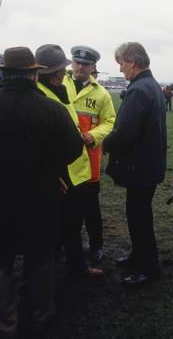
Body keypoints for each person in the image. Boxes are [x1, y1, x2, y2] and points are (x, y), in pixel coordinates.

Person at [0, 47, 84, 336]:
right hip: (41, 199)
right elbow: (73, 149)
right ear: (33, 73)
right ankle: (41, 315)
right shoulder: (52, 108)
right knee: (40, 260)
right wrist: (49, 166)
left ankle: (5, 323)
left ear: (4, 74)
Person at [35, 44, 104, 278]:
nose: (74, 68)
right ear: (57, 73)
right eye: (71, 64)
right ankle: (60, 270)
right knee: (61, 224)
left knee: (73, 221)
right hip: (60, 172)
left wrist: (93, 136)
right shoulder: (44, 96)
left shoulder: (58, 91)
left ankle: (74, 265)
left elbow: (109, 120)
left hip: (76, 169)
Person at [103, 42, 166, 285]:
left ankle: (148, 268)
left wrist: (104, 144)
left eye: (120, 63)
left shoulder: (139, 89)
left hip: (140, 167)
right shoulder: (151, 85)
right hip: (148, 165)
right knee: (138, 215)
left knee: (139, 218)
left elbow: (125, 132)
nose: (120, 69)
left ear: (132, 61)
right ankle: (137, 255)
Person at [63, 46, 116, 264]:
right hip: (64, 160)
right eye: (77, 62)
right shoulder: (59, 85)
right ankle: (64, 245)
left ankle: (96, 246)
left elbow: (110, 121)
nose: (81, 66)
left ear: (93, 67)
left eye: (86, 64)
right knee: (64, 207)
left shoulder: (101, 94)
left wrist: (94, 135)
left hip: (89, 159)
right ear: (71, 64)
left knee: (91, 208)